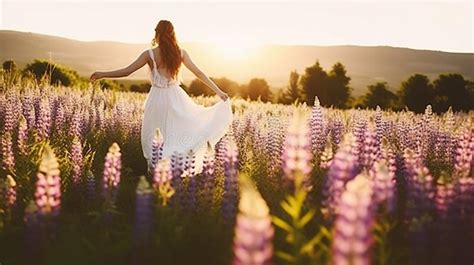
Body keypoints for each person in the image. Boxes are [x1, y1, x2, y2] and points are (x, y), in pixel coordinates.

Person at [90, 20, 233, 174]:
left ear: (156, 33)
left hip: (157, 98)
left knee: (152, 135)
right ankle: (174, 170)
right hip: (176, 97)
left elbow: (127, 72)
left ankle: (155, 173)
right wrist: (218, 91)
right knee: (178, 132)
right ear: (173, 34)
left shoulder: (149, 54)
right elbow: (198, 73)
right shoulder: (180, 53)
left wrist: (102, 74)